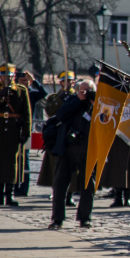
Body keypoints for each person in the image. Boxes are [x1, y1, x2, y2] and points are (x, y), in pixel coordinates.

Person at [0, 63, 32, 206]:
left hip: (14, 129)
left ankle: (10, 195)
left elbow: (27, 113)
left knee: (11, 163)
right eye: (4, 76)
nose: (6, 78)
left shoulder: (21, 90)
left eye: (9, 76)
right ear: (0, 76)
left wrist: (26, 132)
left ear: (13, 76)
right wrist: (0, 96)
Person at [47, 79, 97, 229]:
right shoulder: (72, 100)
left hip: (87, 151)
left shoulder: (98, 104)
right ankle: (57, 219)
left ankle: (85, 218)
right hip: (67, 150)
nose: (85, 93)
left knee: (88, 187)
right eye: (82, 90)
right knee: (59, 186)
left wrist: (94, 103)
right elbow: (60, 115)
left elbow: (104, 121)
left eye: (88, 91)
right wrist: (77, 100)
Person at [37, 71, 77, 205]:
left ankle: (69, 194)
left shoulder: (77, 96)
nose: (68, 83)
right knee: (55, 164)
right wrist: (60, 99)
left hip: (70, 133)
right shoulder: (54, 97)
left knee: (71, 165)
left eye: (70, 81)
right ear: (60, 82)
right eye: (65, 81)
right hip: (56, 134)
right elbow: (50, 112)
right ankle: (57, 192)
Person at [13, 69, 47, 196]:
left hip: (26, 129)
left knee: (24, 160)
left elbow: (43, 93)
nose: (24, 82)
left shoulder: (31, 94)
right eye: (22, 80)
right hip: (13, 127)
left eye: (26, 81)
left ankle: (23, 188)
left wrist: (33, 81)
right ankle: (13, 187)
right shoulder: (14, 92)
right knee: (12, 160)